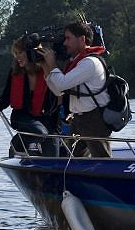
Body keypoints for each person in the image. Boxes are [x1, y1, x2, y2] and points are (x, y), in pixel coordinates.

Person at [39, 22, 111, 158]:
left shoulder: (90, 63)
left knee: (103, 160)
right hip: (79, 119)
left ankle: (112, 179)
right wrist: (45, 66)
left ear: (82, 39)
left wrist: (52, 64)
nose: (65, 43)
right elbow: (59, 91)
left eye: (68, 38)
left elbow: (62, 84)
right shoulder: (77, 62)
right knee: (72, 161)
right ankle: (75, 179)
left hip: (94, 119)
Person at [0, 36, 59, 155]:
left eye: (20, 52)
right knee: (40, 132)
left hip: (46, 121)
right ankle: (18, 143)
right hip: (22, 118)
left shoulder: (49, 70)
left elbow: (57, 100)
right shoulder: (15, 72)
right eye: (15, 53)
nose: (17, 57)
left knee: (54, 156)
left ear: (32, 52)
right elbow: (5, 99)